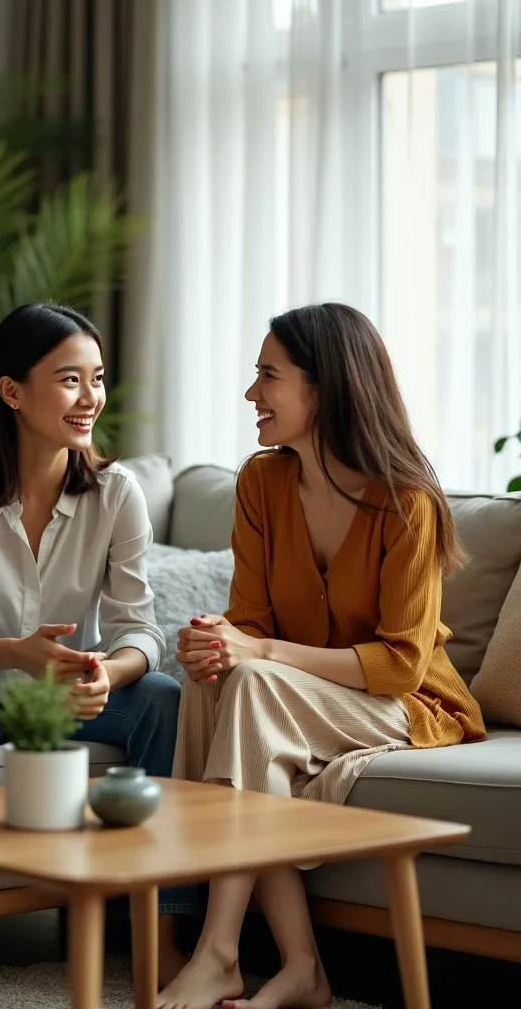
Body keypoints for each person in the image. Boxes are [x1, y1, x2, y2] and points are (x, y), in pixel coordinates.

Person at [159, 302, 486, 1009]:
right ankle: (302, 966)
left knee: (250, 687)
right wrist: (215, 643)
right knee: (215, 683)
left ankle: (219, 951)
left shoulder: (409, 503)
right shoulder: (261, 484)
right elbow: (246, 622)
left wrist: (262, 650)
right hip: (297, 696)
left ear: (326, 388)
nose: (252, 395)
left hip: (405, 704)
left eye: (267, 376)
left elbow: (401, 666)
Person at [0, 303, 195, 986]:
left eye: (96, 378)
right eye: (69, 379)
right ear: (12, 391)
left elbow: (138, 631)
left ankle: (166, 931)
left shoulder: (118, 493)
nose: (90, 397)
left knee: (161, 698)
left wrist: (106, 675)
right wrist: (14, 651)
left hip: (70, 693)